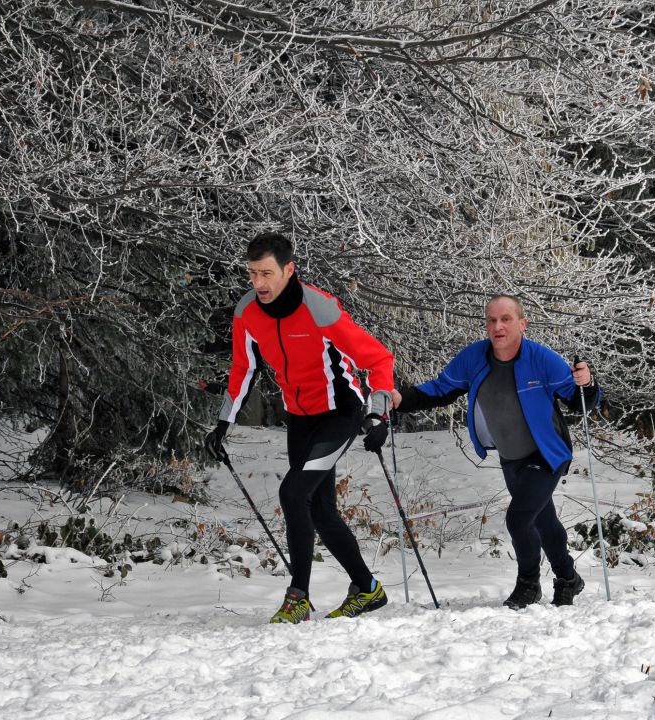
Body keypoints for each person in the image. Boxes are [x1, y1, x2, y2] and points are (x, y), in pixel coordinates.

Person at [205, 231, 394, 624]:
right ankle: (367, 588)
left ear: (289, 270)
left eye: (267, 274)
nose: (258, 284)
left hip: (340, 412)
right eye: (252, 274)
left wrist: (378, 415)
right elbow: (244, 368)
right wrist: (223, 423)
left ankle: (298, 597)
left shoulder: (320, 310)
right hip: (300, 419)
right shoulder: (248, 314)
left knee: (293, 493)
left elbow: (378, 360)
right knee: (321, 511)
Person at [392, 294, 600, 609]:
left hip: (547, 454)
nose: (497, 326)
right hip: (511, 456)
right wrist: (400, 399)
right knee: (543, 520)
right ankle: (569, 578)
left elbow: (578, 401)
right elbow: (440, 389)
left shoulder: (543, 360)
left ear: (522, 324)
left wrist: (587, 382)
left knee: (519, 519)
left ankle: (528, 586)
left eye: (505, 319)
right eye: (491, 320)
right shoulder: (475, 358)